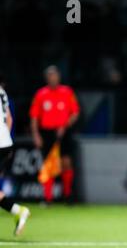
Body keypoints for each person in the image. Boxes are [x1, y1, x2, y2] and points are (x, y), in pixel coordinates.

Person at [29, 65, 80, 205]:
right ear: (46, 78)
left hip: (64, 132)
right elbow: (34, 117)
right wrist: (36, 136)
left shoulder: (67, 92)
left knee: (66, 163)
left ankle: (68, 196)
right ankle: (48, 199)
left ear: (59, 77)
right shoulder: (40, 94)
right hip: (47, 133)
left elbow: (75, 113)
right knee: (48, 165)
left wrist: (65, 126)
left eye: (55, 75)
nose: (53, 78)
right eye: (50, 76)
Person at [0, 72, 30, 235]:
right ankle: (18, 211)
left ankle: (18, 210)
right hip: (5, 143)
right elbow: (9, 119)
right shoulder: (1, 91)